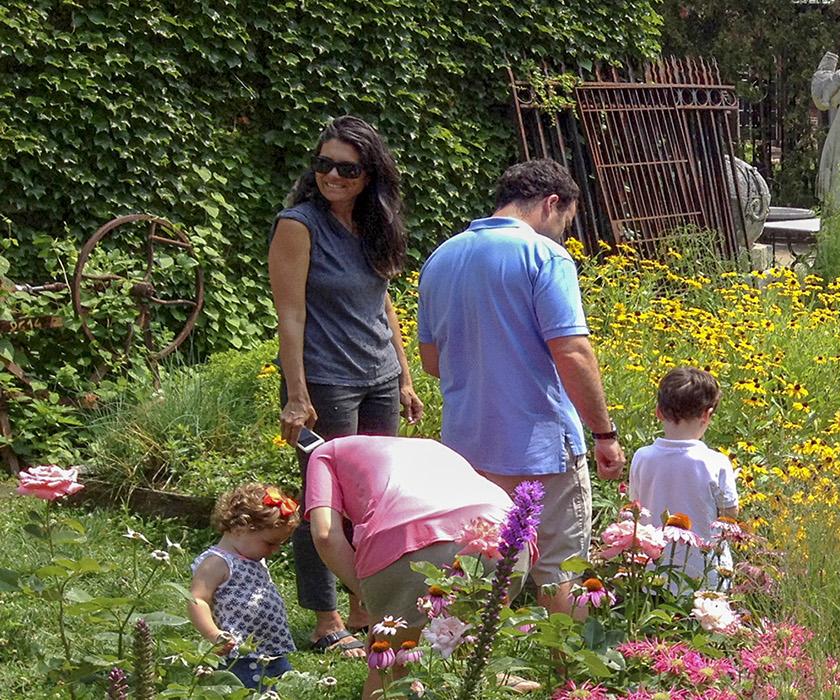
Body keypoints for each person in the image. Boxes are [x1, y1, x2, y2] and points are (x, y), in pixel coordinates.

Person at [416, 159, 627, 616]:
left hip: (467, 449)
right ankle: (568, 678)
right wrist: (604, 433)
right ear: (552, 204)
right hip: (541, 448)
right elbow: (571, 352)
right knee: (560, 569)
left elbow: (431, 363)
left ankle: (476, 675)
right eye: (566, 222)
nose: (563, 234)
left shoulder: (440, 257)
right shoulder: (544, 255)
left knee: (479, 569)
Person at [267, 115, 421, 655]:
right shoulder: (298, 225)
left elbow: (383, 305)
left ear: (370, 175)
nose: (332, 175)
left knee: (375, 500)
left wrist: (404, 378)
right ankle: (325, 618)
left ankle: (365, 606)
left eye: (347, 168)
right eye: (324, 164)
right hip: (328, 383)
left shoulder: (376, 225)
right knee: (324, 504)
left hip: (379, 379)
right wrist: (296, 394)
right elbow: (290, 316)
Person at [301, 435, 514, 700]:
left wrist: (369, 595)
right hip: (509, 532)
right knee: (469, 652)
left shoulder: (325, 453)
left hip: (410, 535)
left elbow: (325, 534)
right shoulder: (431, 446)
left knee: (389, 669)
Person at [628, 367, 741, 588]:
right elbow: (730, 514)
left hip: (653, 568)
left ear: (658, 412)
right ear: (707, 415)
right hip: (706, 570)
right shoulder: (715, 462)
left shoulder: (642, 457)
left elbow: (636, 507)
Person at [190, 484, 306, 688]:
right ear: (239, 528)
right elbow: (198, 599)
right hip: (237, 655)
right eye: (270, 543)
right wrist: (213, 634)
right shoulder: (217, 562)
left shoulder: (254, 558)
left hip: (270, 649)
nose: (275, 550)